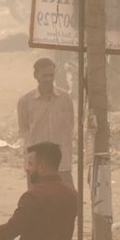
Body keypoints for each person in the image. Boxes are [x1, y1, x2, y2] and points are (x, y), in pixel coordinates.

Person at [18, 58, 74, 188]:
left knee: (67, 202)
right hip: (37, 163)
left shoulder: (65, 99)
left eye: (51, 75)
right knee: (37, 203)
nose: (48, 79)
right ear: (36, 76)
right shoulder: (25, 101)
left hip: (61, 162)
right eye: (44, 75)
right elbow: (24, 130)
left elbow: (70, 126)